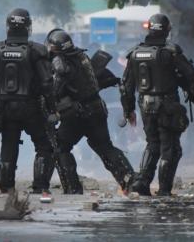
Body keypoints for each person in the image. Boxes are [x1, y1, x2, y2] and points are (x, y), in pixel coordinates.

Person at [121, 14, 194, 196]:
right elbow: (191, 75)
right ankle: (164, 191)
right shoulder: (171, 52)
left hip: (145, 106)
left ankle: (142, 183)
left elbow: (126, 86)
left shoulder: (134, 53)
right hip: (168, 106)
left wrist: (129, 111)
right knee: (170, 147)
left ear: (149, 28)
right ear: (167, 30)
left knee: (152, 144)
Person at [47, 28, 135, 194]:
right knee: (105, 147)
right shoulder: (82, 56)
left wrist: (51, 105)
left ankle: (72, 188)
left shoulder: (60, 62)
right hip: (96, 110)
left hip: (77, 114)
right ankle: (129, 179)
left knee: (60, 148)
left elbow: (56, 88)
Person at [0, 8, 57, 194]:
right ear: (28, 26)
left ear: (8, 26)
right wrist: (52, 109)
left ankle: (6, 186)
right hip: (31, 107)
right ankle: (40, 186)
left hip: (5, 108)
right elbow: (47, 83)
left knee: (8, 144)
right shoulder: (37, 50)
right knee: (44, 145)